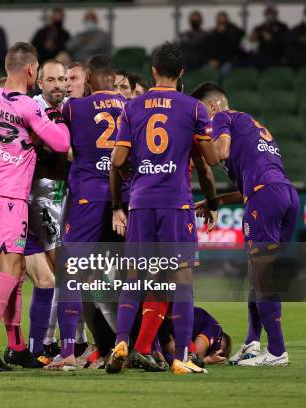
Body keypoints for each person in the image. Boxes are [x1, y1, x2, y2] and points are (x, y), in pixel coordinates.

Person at [106, 42, 218, 375]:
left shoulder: (133, 107)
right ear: (181, 73)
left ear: (153, 71)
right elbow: (211, 160)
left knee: (135, 278)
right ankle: (182, 356)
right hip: (175, 203)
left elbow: (117, 160)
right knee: (181, 280)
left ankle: (121, 342)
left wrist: (117, 205)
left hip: (140, 202)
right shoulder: (194, 108)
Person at [0, 42, 70, 371]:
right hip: (8, 196)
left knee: (18, 271)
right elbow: (62, 143)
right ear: (30, 72)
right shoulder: (29, 106)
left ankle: (17, 346)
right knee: (8, 271)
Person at [192, 81, 297, 366]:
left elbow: (221, 152)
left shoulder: (222, 117)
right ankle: (252, 342)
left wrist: (198, 149)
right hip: (284, 194)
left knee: (262, 276)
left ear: (212, 106)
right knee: (258, 272)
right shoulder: (251, 125)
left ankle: (276, 351)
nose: (200, 119)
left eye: (200, 111)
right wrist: (219, 201)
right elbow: (253, 183)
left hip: (266, 197)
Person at [43, 55, 126, 371]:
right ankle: (145, 348)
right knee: (126, 278)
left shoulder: (74, 108)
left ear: (90, 79)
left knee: (71, 274)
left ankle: (66, 353)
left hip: (88, 198)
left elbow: (62, 147)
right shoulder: (130, 106)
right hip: (121, 200)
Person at [26, 59, 69, 368]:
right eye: (51, 79)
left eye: (62, 79)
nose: (58, 84)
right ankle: (54, 345)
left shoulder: (70, 108)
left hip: (64, 195)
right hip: (40, 197)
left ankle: (41, 344)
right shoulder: (31, 109)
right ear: (40, 83)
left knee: (49, 280)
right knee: (65, 274)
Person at [159, 307, 232, 366]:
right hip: (167, 319)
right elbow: (194, 356)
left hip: (161, 321)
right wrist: (206, 360)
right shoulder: (216, 330)